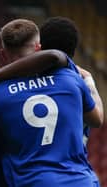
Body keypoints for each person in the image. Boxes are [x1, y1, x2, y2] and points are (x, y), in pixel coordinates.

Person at [0, 21, 104, 186]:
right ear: (38, 48)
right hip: (81, 180)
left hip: (33, 181)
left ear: (2, 54)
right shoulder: (70, 79)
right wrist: (89, 81)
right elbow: (97, 119)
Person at [40, 16, 104, 187]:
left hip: (34, 176)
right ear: (74, 48)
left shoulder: (26, 82)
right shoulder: (79, 81)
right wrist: (90, 81)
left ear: (39, 46)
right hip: (77, 175)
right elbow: (98, 119)